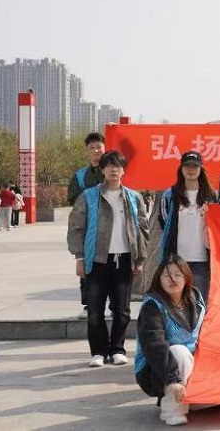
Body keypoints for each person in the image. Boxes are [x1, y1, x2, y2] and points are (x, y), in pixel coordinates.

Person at [67, 150, 149, 368]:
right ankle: (98, 352)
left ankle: (117, 349)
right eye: (109, 166)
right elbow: (76, 228)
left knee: (122, 311)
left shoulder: (134, 198)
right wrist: (79, 257)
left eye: (118, 166)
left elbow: (143, 229)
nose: (114, 169)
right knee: (95, 311)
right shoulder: (88, 196)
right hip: (96, 261)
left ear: (123, 170)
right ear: (102, 170)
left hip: (124, 260)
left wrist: (140, 259)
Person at [135, 256, 205, 426]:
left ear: (186, 277)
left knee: (219, 401)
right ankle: (173, 410)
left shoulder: (196, 299)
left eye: (177, 275)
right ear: (159, 279)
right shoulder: (152, 306)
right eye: (166, 275)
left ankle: (188, 398)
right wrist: (172, 379)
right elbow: (154, 346)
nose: (172, 279)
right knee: (179, 352)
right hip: (158, 367)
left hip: (193, 363)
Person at [158, 151, 217, 304]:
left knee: (200, 303)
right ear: (181, 169)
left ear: (201, 169)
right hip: (177, 259)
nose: (191, 170)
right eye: (187, 166)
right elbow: (164, 222)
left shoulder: (212, 196)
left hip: (202, 260)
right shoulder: (170, 195)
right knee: (176, 303)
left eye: (195, 166)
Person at [67, 132, 107, 320]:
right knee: (88, 266)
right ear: (87, 152)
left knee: (114, 269)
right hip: (90, 228)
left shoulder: (114, 170)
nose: (96, 151)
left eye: (99, 147)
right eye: (92, 148)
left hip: (113, 228)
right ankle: (88, 305)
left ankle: (113, 305)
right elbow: (76, 204)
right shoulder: (80, 176)